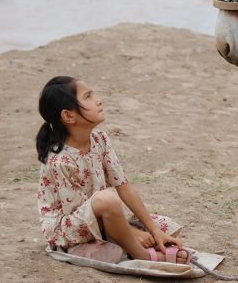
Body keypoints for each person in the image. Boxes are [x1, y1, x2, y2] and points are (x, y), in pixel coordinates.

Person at [35, 75, 189, 264]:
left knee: (164, 226)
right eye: (88, 97)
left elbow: (124, 186)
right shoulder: (60, 161)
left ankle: (121, 243)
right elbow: (81, 214)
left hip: (101, 215)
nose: (98, 100)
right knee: (107, 199)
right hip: (68, 228)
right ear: (68, 116)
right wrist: (133, 232)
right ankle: (141, 255)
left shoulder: (100, 139)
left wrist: (154, 230)